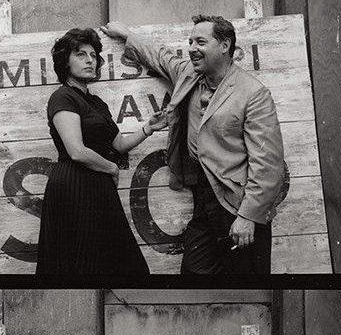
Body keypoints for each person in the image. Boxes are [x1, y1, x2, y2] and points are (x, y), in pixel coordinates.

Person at [101, 17, 285, 275]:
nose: (191, 48)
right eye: (190, 42)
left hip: (238, 202)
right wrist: (126, 34)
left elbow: (268, 164)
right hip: (203, 198)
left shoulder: (253, 93)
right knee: (193, 271)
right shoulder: (189, 74)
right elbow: (160, 57)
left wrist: (248, 216)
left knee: (245, 277)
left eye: (200, 41)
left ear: (224, 45)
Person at [35, 27, 168, 275]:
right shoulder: (62, 97)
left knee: (122, 265)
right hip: (73, 186)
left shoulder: (96, 103)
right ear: (65, 61)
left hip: (97, 187)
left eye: (93, 55)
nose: (89, 60)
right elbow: (76, 151)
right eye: (81, 54)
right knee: (78, 264)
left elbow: (118, 145)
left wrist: (149, 128)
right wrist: (111, 167)